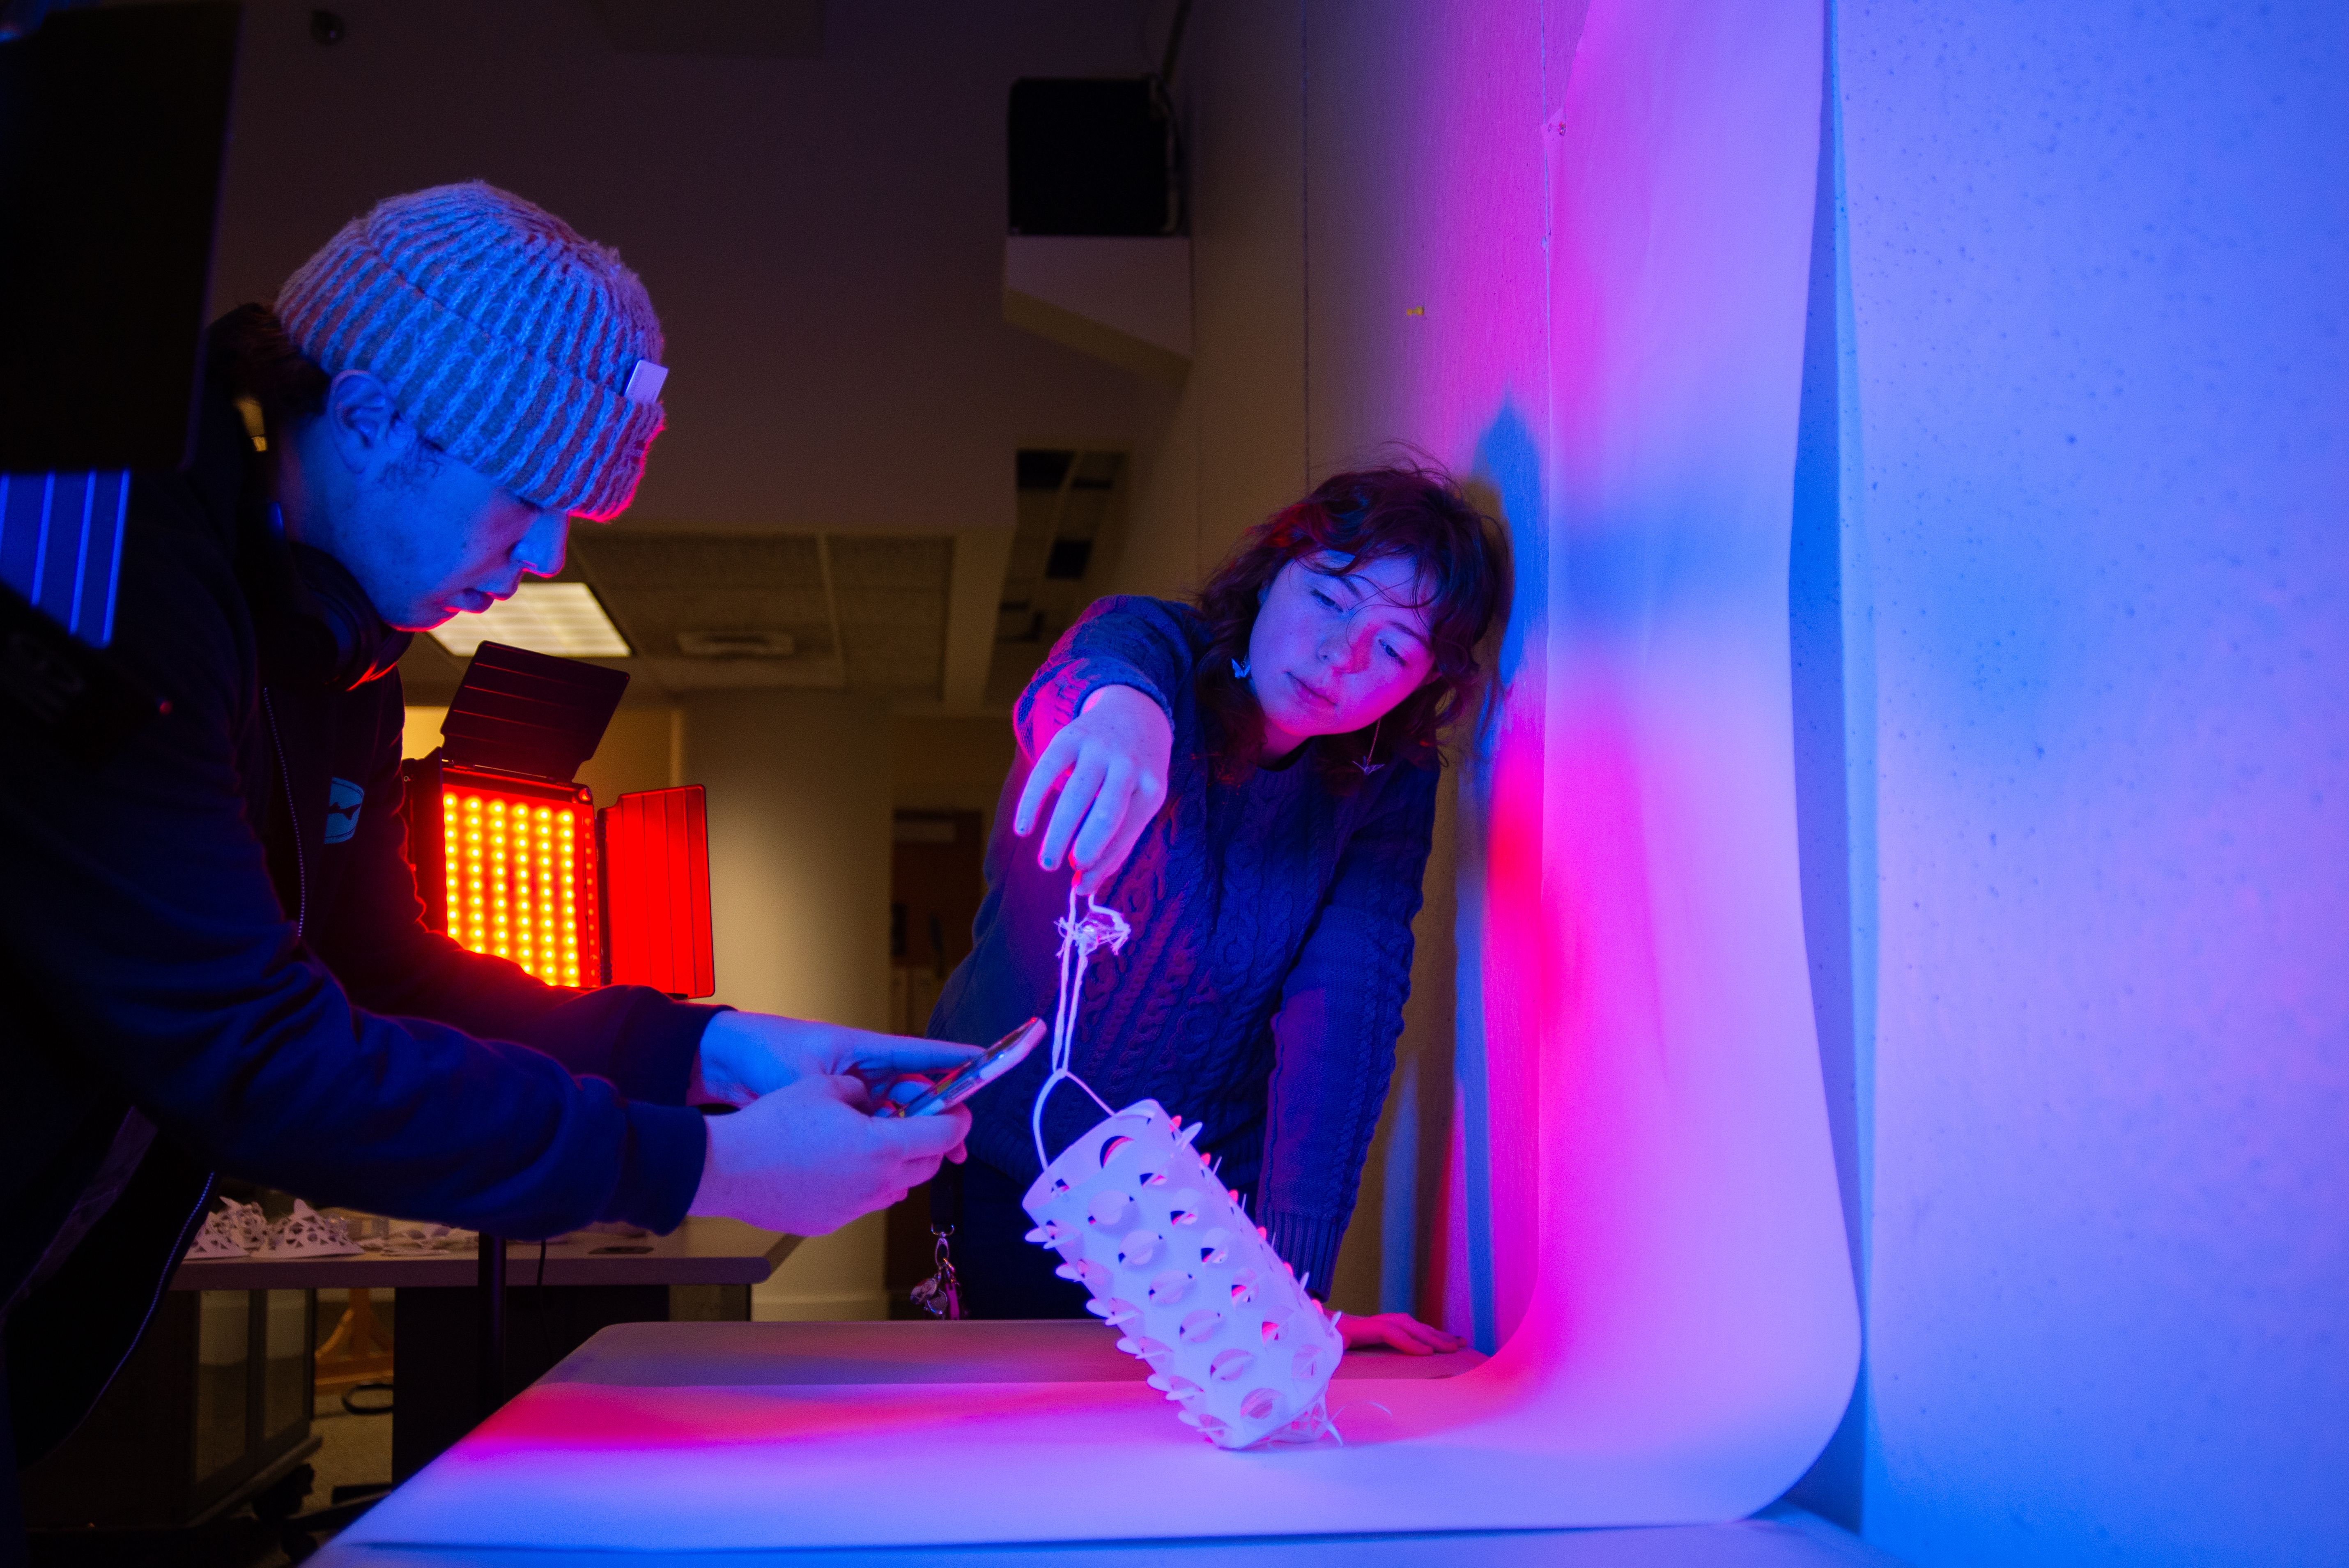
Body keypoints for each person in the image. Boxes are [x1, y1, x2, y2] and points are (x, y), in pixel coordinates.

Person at [0, 184, 973, 1538]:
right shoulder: (115, 571)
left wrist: (712, 1049)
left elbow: (384, 974)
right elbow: (257, 1055)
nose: (548, 556)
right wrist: (706, 1168)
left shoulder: (335, 647)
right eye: (525, 500)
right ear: (377, 418)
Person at [927, 466, 1503, 1354]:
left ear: (1422, 686)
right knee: (1032, 1433)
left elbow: (1341, 1029)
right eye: (1331, 595)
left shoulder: (1386, 785)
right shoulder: (1156, 644)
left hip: (1195, 1199)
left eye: (1393, 650)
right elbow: (1104, 666)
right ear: (1274, 570)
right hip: (1013, 1156)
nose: (1341, 654)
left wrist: (1288, 1297)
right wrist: (1122, 719)